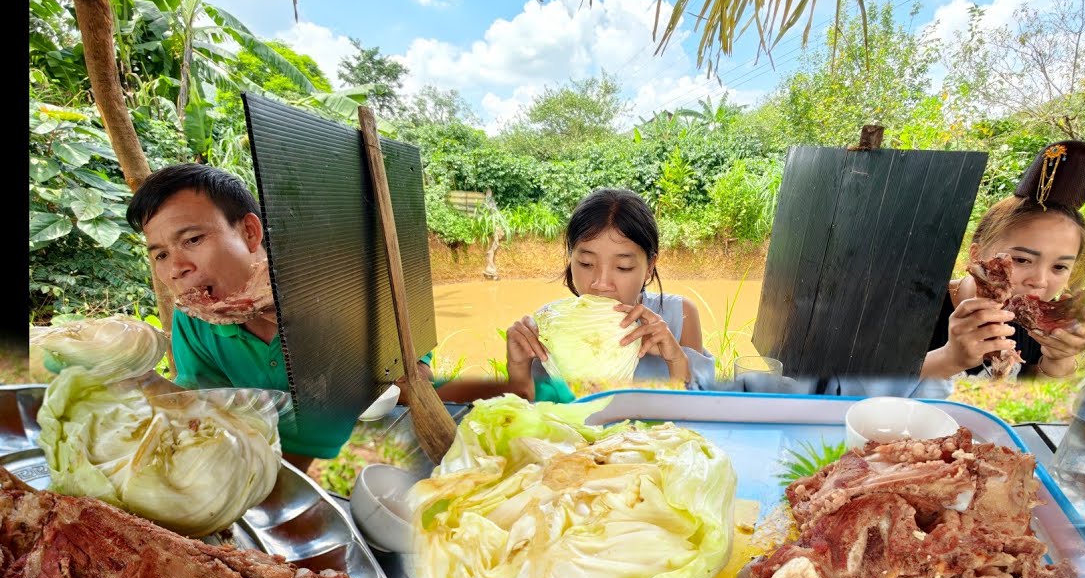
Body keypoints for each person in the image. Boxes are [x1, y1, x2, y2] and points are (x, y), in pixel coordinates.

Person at [127, 163, 520, 468]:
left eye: (192, 240)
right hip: (273, 467)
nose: (176, 268)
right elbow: (205, 407)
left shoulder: (341, 285)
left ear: (249, 232)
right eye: (160, 253)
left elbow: (414, 379)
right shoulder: (197, 319)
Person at [504, 188, 716, 402]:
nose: (601, 284)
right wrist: (519, 367)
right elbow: (538, 418)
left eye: (623, 267)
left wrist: (677, 362)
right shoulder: (551, 325)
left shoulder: (680, 315)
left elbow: (702, 415)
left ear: (650, 266)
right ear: (571, 259)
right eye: (586, 263)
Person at [920, 140, 1085, 381]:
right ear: (976, 255)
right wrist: (949, 359)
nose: (1039, 282)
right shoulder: (918, 307)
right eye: (1021, 259)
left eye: (1059, 267)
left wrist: (1058, 361)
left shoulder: (1036, 328)